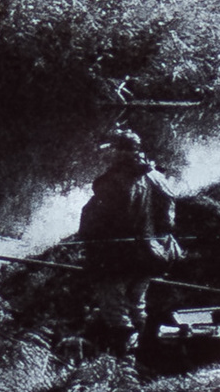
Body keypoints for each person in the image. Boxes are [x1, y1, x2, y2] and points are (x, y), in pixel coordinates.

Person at [75, 127, 180, 349]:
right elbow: (168, 219)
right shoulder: (157, 177)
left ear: (119, 151)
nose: (106, 154)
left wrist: (88, 244)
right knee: (137, 305)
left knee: (115, 308)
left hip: (119, 257)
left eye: (110, 149)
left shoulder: (112, 182)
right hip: (153, 254)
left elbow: (95, 221)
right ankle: (141, 351)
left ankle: (124, 359)